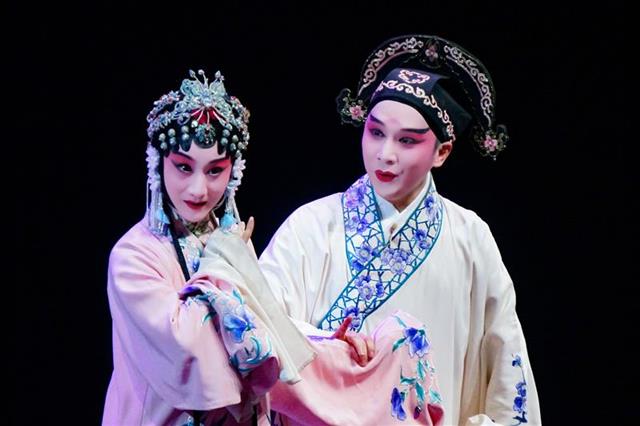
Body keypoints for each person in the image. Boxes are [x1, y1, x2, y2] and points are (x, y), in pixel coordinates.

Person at [103, 69, 445, 426]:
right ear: (158, 164)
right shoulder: (134, 257)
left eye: (215, 170)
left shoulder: (226, 241)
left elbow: (261, 321)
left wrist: (328, 343)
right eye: (183, 168)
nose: (198, 189)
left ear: (233, 172)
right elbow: (193, 349)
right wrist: (221, 267)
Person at [259, 35, 541, 425]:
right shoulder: (310, 226)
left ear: (442, 151)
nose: (385, 154)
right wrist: (326, 344)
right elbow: (261, 327)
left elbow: (507, 370)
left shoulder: (470, 239)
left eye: (407, 140)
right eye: (375, 132)